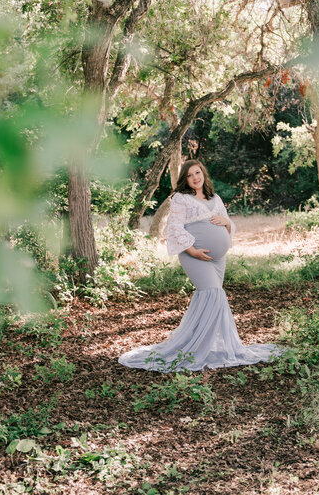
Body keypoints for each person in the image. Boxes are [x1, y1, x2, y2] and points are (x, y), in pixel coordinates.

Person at [118, 159, 283, 372]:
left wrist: (227, 223)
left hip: (217, 259)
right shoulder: (181, 198)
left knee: (212, 298)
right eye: (190, 175)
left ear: (203, 174)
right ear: (185, 179)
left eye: (198, 173)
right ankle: (195, 349)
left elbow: (228, 223)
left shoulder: (215, 198)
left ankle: (202, 346)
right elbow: (175, 228)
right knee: (213, 293)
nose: (195, 178)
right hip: (194, 254)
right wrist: (192, 250)